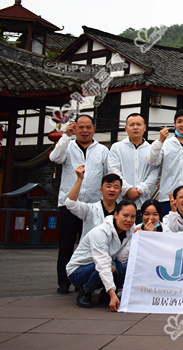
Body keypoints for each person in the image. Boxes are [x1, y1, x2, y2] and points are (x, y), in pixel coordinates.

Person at [50, 115, 109, 294]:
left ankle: (81, 280)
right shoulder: (67, 146)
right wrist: (65, 137)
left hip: (92, 206)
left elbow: (107, 175)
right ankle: (63, 281)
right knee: (66, 243)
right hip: (69, 204)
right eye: (81, 127)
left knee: (89, 244)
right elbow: (54, 158)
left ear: (94, 129)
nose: (84, 130)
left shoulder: (102, 150)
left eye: (88, 127)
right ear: (74, 129)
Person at [66, 200, 136, 311]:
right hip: (77, 272)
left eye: (133, 216)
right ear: (116, 215)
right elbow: (102, 263)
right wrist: (113, 295)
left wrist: (135, 237)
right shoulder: (101, 232)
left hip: (103, 267)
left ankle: (105, 294)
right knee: (110, 264)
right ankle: (85, 292)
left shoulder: (130, 231)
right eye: (125, 215)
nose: (129, 220)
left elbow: (122, 258)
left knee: (125, 265)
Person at [149, 109, 183, 217]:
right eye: (179, 121)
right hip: (168, 197)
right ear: (174, 124)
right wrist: (159, 141)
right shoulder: (166, 143)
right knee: (168, 229)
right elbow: (153, 161)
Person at [107, 113, 158, 217]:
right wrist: (127, 189)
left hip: (143, 202)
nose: (135, 127)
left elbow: (154, 173)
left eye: (139, 124)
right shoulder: (117, 148)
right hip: (121, 200)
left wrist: (139, 190)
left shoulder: (151, 149)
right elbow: (114, 171)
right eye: (131, 125)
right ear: (126, 128)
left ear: (144, 128)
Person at [66, 168, 122, 240]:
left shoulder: (122, 212)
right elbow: (71, 203)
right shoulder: (90, 209)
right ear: (101, 190)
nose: (112, 190)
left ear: (120, 192)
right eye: (108, 186)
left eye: (116, 187)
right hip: (91, 249)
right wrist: (79, 179)